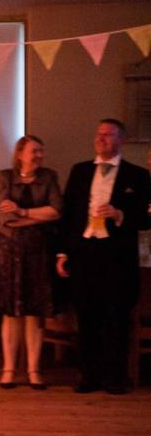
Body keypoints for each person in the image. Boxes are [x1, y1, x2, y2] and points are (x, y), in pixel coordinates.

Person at [57, 119, 151, 394]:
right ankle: (88, 376)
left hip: (116, 255)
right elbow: (69, 215)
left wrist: (120, 214)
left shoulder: (138, 176)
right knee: (86, 317)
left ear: (121, 139)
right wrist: (63, 252)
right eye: (99, 134)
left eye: (109, 134)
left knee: (116, 317)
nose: (102, 138)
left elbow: (147, 218)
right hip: (84, 251)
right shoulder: (80, 171)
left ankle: (115, 377)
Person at [0, 135, 62, 390]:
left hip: (38, 251)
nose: (39, 156)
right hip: (9, 252)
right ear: (20, 154)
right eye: (34, 151)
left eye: (42, 151)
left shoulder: (49, 176)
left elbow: (57, 212)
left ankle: (33, 370)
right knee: (11, 312)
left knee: (34, 312)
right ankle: (8, 369)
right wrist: (36, 217)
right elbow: (3, 218)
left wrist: (22, 212)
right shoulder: (4, 177)